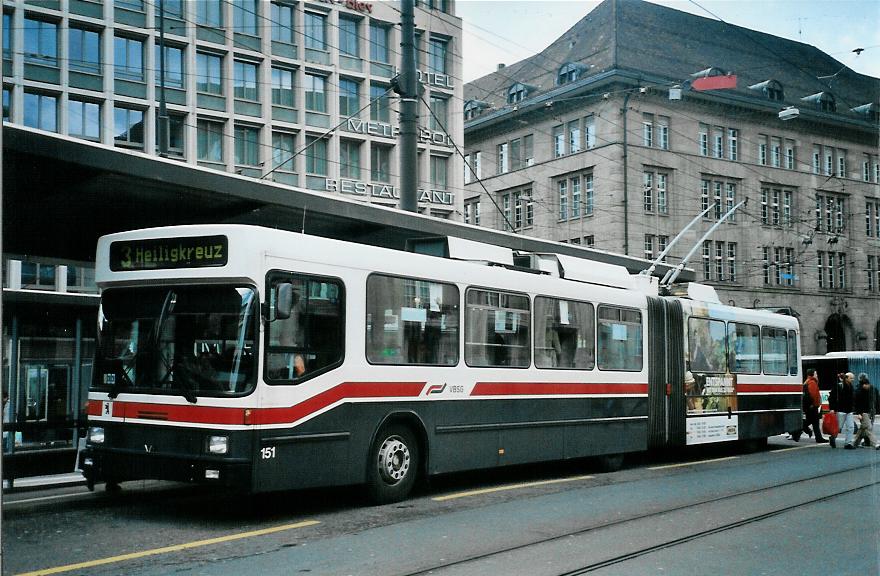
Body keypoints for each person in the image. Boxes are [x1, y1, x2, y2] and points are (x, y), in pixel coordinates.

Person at [794, 368, 826, 443]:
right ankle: (797, 431)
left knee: (814, 422)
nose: (817, 375)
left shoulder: (807, 381)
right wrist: (815, 404)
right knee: (813, 421)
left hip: (809, 406)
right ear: (813, 374)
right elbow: (813, 395)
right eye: (816, 373)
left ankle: (818, 437)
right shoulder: (812, 382)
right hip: (812, 406)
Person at [852, 373, 880, 450]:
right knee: (868, 427)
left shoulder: (859, 390)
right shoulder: (870, 389)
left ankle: (854, 443)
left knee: (863, 428)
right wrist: (859, 413)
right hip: (865, 412)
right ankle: (875, 443)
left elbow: (856, 403)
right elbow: (857, 403)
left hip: (868, 411)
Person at [828, 372, 856, 449]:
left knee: (850, 427)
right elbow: (832, 397)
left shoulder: (850, 386)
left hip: (849, 410)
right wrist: (832, 408)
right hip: (841, 409)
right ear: (846, 378)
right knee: (838, 427)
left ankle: (848, 443)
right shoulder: (839, 386)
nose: (852, 380)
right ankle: (833, 437)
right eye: (851, 378)